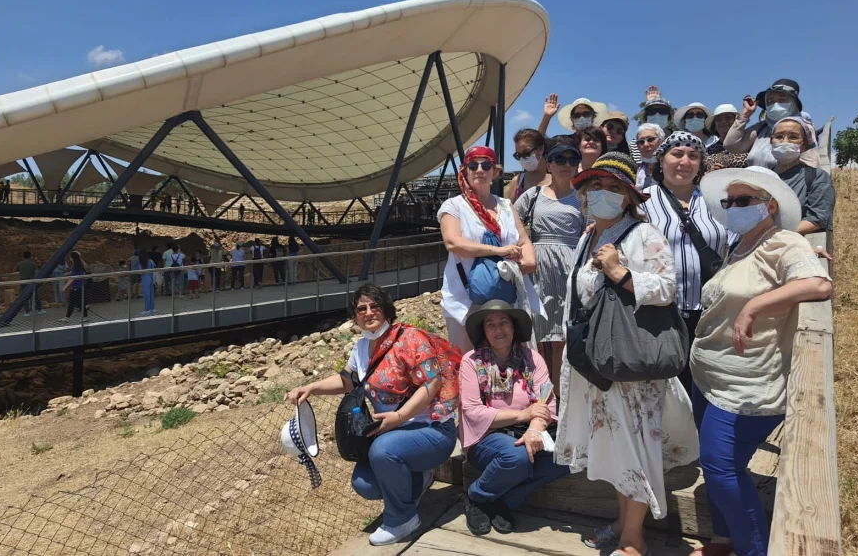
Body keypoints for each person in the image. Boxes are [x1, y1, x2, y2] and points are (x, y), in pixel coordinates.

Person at [555, 153, 699, 556]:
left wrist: (621, 273)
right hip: (597, 363)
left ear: (629, 198)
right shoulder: (588, 236)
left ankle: (634, 541)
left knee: (634, 445)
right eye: (595, 187)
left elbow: (669, 288)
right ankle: (623, 523)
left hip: (631, 365)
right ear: (583, 196)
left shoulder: (643, 234)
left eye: (614, 188)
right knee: (616, 447)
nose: (602, 194)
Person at [690, 166, 833, 556]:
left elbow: (819, 284)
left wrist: (755, 305)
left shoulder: (783, 241)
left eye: (744, 200)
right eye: (729, 201)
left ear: (769, 205)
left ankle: (753, 549)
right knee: (717, 467)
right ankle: (725, 538)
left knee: (720, 466)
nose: (734, 207)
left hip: (748, 381)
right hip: (710, 375)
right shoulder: (737, 246)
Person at [287, 283, 459, 546]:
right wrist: (310, 388)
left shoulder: (410, 339)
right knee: (364, 484)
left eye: (374, 306)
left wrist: (400, 417)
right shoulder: (361, 348)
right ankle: (419, 479)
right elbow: (347, 381)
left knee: (382, 451)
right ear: (355, 316)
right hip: (393, 434)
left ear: (386, 309)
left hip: (432, 430)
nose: (368, 312)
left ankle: (402, 520)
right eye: (361, 308)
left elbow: (431, 384)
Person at [459, 300, 568, 535]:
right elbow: (472, 411)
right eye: (491, 325)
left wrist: (534, 428)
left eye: (504, 323)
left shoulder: (532, 358)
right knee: (517, 456)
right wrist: (522, 415)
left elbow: (545, 400)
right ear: (484, 332)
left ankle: (504, 501)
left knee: (568, 454)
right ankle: (476, 496)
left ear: (514, 327)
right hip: (486, 436)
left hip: (527, 431)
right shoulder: (471, 361)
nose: (498, 330)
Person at [642, 132, 732, 391]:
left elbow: (743, 240)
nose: (684, 161)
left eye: (693, 156)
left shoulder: (718, 200)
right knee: (664, 384)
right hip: (659, 311)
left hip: (710, 311)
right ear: (661, 160)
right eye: (677, 154)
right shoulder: (641, 201)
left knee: (706, 381)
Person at [438, 146, 539, 353]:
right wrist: (498, 251)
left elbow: (523, 240)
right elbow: (453, 243)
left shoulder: (506, 206)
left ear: (495, 172)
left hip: (506, 296)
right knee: (467, 360)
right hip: (464, 300)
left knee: (508, 358)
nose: (480, 170)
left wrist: (529, 261)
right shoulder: (454, 206)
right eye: (473, 165)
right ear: (465, 171)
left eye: (486, 165)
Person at [514, 141, 585, 397]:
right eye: (560, 160)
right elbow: (513, 224)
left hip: (571, 268)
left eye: (571, 160)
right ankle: (541, 397)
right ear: (549, 164)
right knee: (539, 337)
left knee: (562, 339)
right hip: (538, 269)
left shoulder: (584, 197)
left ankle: (559, 398)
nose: (566, 165)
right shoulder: (532, 195)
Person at [769, 116, 835, 234]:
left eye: (793, 137)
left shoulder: (817, 177)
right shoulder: (761, 176)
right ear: (771, 141)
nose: (785, 141)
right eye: (779, 136)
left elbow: (818, 218)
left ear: (804, 145)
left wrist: (773, 237)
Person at [723, 78, 807, 169]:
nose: (775, 104)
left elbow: (811, 164)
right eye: (770, 100)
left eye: (782, 99)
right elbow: (731, 145)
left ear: (793, 103)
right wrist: (745, 114)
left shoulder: (804, 129)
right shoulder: (762, 129)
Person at [628, 86, 675, 163]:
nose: (657, 114)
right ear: (646, 117)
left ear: (669, 116)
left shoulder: (679, 140)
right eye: (652, 112)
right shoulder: (634, 145)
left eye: (662, 111)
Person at [538, 95, 608, 144]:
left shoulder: (601, 143)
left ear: (593, 117)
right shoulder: (562, 141)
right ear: (572, 120)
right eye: (577, 115)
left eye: (586, 114)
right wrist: (546, 117)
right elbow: (538, 143)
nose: (582, 118)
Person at [505, 129, 550, 204]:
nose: (522, 159)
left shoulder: (557, 179)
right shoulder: (517, 181)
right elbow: (510, 212)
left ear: (541, 149)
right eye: (519, 156)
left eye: (526, 153)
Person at [704, 104, 749, 172]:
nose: (723, 121)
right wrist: (709, 172)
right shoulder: (708, 151)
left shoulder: (748, 144)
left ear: (736, 121)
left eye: (728, 118)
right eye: (718, 119)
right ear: (715, 125)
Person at [634, 123, 665, 190]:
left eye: (650, 139)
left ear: (661, 141)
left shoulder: (670, 167)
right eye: (641, 141)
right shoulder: (635, 170)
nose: (645, 144)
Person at [61, 251, 89, 322]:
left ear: (72, 258)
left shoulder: (76, 266)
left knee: (74, 303)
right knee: (74, 303)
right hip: (79, 286)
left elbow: (72, 278)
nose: (70, 259)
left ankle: (68, 318)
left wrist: (65, 287)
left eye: (70, 257)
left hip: (77, 287)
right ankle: (67, 317)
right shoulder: (78, 265)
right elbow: (74, 273)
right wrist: (67, 273)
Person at [15, 251, 45, 316]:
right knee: (35, 295)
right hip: (31, 281)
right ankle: (39, 310)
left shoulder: (20, 263)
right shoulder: (33, 263)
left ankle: (27, 312)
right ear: (30, 256)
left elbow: (15, 270)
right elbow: (37, 271)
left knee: (24, 296)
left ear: (23, 256)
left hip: (23, 282)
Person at [136, 251, 157, 316]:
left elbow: (140, 272)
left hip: (145, 280)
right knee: (151, 294)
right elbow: (154, 268)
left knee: (146, 295)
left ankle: (147, 309)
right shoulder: (150, 261)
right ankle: (153, 308)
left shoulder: (140, 263)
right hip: (151, 278)